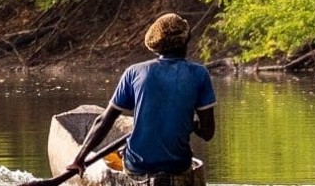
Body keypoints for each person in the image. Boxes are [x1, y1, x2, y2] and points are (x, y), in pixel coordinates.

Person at [65, 13, 215, 186]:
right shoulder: (199, 74)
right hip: (178, 167)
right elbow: (208, 133)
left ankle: (126, 153)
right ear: (187, 39)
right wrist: (192, 122)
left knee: (126, 153)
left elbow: (104, 121)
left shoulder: (134, 72)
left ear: (156, 46)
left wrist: (79, 159)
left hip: (137, 167)